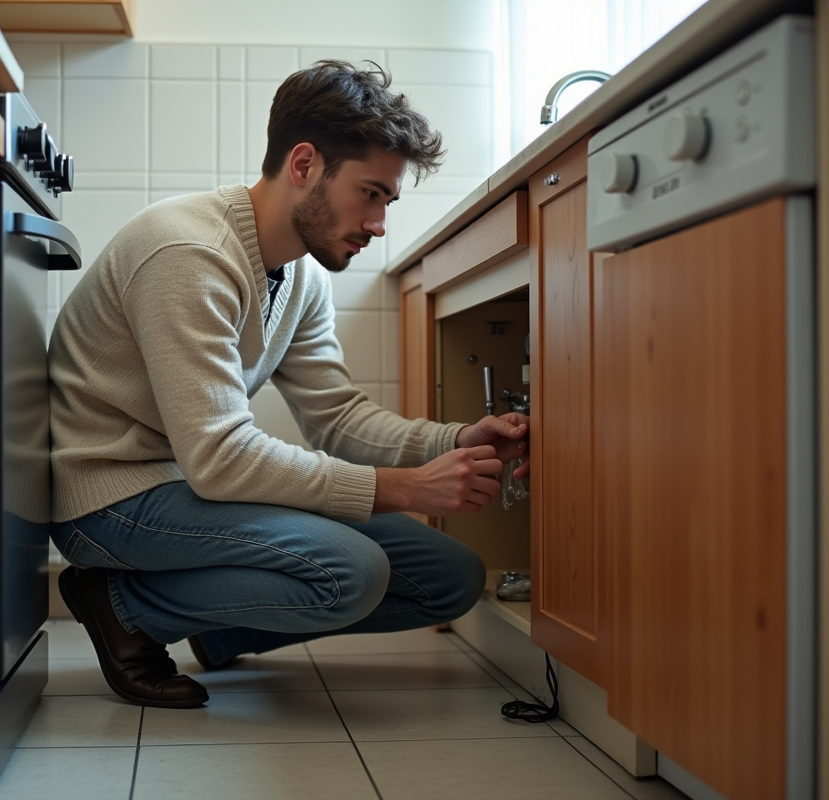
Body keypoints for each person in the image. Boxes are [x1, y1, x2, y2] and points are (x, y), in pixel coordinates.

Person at [47, 60, 531, 709]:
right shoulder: (187, 253)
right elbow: (220, 459)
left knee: (449, 577)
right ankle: (123, 608)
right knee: (351, 572)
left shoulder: (302, 278)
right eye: (370, 193)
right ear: (303, 165)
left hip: (187, 484)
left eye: (387, 199)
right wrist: (401, 488)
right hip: (109, 497)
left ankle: (215, 629)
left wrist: (457, 437)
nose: (380, 223)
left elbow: (337, 418)